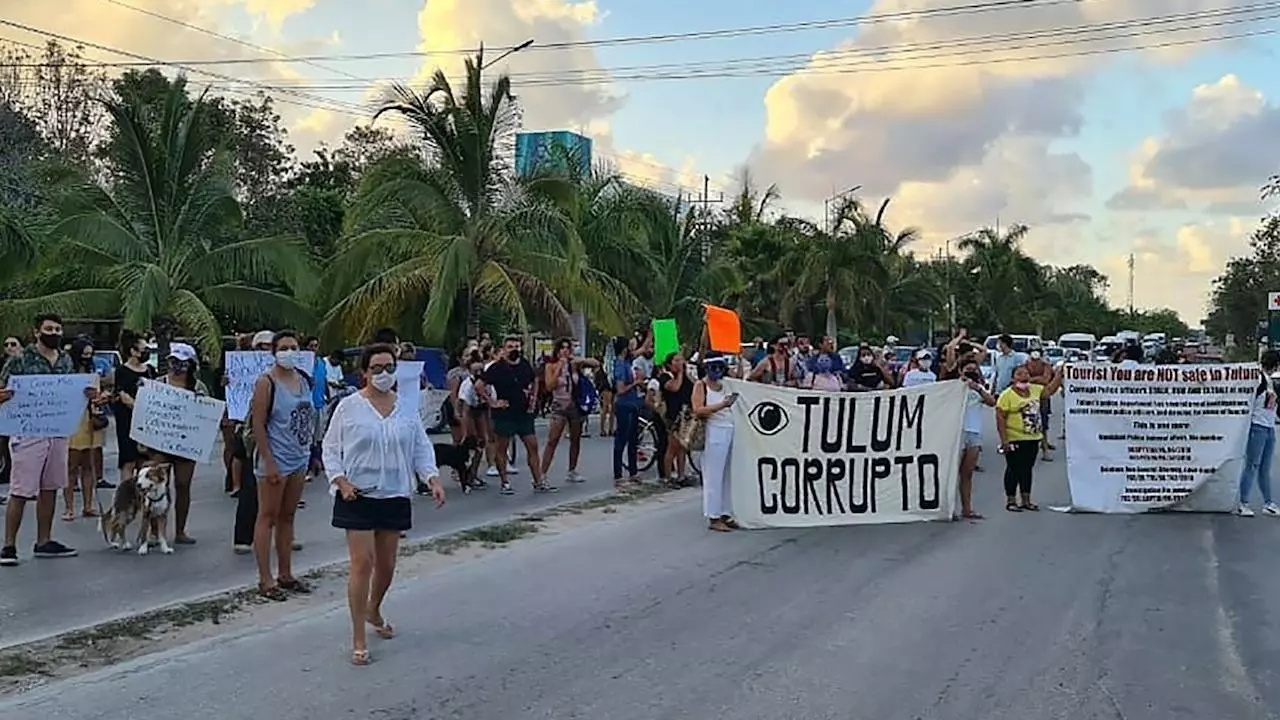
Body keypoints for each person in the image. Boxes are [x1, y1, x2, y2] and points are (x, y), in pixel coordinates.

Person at [323, 343, 445, 666]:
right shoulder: (349, 407)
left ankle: (373, 609)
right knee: (362, 563)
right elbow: (330, 448)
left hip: (394, 494)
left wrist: (432, 478)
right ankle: (358, 638)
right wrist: (340, 481)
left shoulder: (406, 407)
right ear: (364, 372)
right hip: (357, 495)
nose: (383, 374)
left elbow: (420, 447)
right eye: (376, 368)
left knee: (386, 566)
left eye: (389, 367)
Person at [0, 313, 93, 564]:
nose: (54, 333)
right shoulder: (20, 360)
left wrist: (88, 393)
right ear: (37, 332)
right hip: (28, 431)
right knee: (20, 490)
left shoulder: (65, 360)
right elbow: (2, 389)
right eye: (49, 329)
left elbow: (73, 392)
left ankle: (44, 541)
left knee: (50, 487)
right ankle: (8, 546)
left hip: (57, 432)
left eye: (58, 329)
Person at [248, 331, 315, 599]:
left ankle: (285, 574)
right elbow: (258, 423)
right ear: (274, 352)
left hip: (299, 456)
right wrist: (269, 461)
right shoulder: (266, 383)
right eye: (284, 347)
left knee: (288, 516)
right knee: (267, 516)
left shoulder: (303, 379)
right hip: (275, 458)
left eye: (293, 347)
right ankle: (265, 579)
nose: (289, 352)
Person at [477, 335, 553, 494]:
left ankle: (538, 481)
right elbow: (479, 385)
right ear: (504, 349)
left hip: (524, 413)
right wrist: (492, 402)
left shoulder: (525, 364)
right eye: (510, 347)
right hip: (504, 414)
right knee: (502, 448)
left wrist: (533, 399)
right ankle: (505, 482)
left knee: (532, 445)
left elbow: (534, 380)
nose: (514, 350)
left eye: (517, 346)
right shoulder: (496, 368)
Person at [151, 343, 208, 544]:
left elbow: (206, 416)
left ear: (190, 365)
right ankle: (155, 531)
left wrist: (202, 402)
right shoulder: (157, 383)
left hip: (186, 444)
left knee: (183, 485)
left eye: (183, 363)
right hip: (160, 442)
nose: (177, 366)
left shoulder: (198, 387)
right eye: (174, 361)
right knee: (157, 486)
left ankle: (180, 531)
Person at [995, 364, 1063, 513]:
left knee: (1027, 469)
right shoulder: (1007, 395)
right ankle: (1011, 500)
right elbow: (1000, 418)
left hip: (1033, 437)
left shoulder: (1035, 389)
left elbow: (1050, 390)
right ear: (1013, 378)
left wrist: (1059, 374)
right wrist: (1004, 440)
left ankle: (1026, 500)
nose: (1023, 376)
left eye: (1026, 373)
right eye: (1019, 374)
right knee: (1013, 469)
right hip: (1014, 438)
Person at [540, 338, 598, 484]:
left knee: (575, 439)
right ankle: (542, 473)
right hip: (559, 405)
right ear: (557, 350)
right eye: (562, 348)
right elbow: (549, 386)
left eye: (567, 348)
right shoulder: (551, 366)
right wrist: (559, 367)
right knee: (553, 440)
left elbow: (595, 363)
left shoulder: (574, 365)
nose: (565, 351)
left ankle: (572, 470)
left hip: (574, 405)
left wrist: (578, 360)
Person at [692, 354, 739, 532]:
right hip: (714, 432)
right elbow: (698, 409)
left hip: (729, 430)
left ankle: (725, 512)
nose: (717, 371)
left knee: (727, 475)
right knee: (713, 476)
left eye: (720, 367)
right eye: (714, 367)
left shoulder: (725, 384)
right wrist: (722, 405)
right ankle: (713, 516)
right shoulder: (701, 385)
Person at [64, 337, 109, 521]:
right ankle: (68, 508)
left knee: (89, 466)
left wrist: (100, 397)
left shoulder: (93, 373)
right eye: (84, 354)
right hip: (73, 422)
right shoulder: (67, 373)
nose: (87, 358)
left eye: (90, 354)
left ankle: (88, 505)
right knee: (71, 467)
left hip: (91, 420)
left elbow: (100, 395)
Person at [1237, 350, 1280, 517]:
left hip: (1269, 427)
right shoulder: (1258, 380)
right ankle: (1243, 502)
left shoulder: (1269, 381)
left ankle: (1268, 503)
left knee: (1264, 468)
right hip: (1257, 426)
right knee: (1252, 465)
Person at [111, 332, 154, 488]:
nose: (146, 352)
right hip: (127, 421)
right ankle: (127, 495)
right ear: (133, 351)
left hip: (147, 421)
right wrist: (138, 407)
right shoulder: (121, 371)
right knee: (128, 461)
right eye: (143, 349)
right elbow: (123, 396)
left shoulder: (150, 370)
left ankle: (143, 495)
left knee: (145, 460)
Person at [958, 357, 996, 520]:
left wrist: (978, 388)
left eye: (974, 369)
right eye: (968, 369)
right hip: (957, 432)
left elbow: (992, 402)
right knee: (952, 473)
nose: (971, 372)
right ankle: (948, 507)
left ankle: (967, 509)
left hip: (974, 432)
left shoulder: (979, 388)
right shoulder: (954, 386)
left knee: (967, 473)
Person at [611, 336, 645, 490]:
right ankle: (618, 475)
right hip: (624, 405)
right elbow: (620, 389)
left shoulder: (627, 362)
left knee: (633, 440)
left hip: (632, 405)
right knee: (621, 440)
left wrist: (650, 334)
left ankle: (633, 471)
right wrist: (635, 383)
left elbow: (642, 350)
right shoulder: (620, 365)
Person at [658, 352, 695, 486]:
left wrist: (685, 372)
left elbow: (694, 385)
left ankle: (681, 475)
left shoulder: (686, 376)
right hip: (674, 416)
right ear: (670, 364)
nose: (680, 363)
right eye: (676, 360)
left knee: (682, 448)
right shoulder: (665, 376)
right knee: (672, 448)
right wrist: (679, 373)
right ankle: (667, 477)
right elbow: (674, 387)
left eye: (681, 360)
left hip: (686, 414)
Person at [1024, 348, 1056, 460]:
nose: (1034, 362)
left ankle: (1045, 448)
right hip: (1028, 397)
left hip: (1042, 397)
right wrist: (1038, 379)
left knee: (1043, 422)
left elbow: (1046, 379)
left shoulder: (1046, 366)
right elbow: (1023, 379)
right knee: (1028, 422)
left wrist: (1032, 379)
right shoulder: (1024, 366)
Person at [0, 335, 21, 491]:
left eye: (13, 344)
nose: (9, 347)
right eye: (6, 344)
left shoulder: (27, 363)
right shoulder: (3, 365)